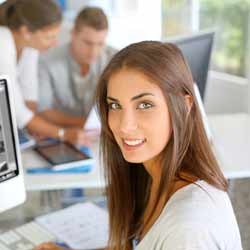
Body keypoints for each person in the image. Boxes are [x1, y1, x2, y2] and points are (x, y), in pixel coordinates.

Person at [35, 41, 242, 250]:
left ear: (184, 105)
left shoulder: (189, 232)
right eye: (115, 105)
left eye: (145, 105)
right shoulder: (151, 176)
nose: (125, 126)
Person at [0, 0, 90, 145]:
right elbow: (16, 112)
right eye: (49, 37)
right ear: (26, 31)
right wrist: (63, 133)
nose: (55, 43)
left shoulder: (28, 44)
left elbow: (29, 94)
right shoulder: (2, 44)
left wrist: (36, 128)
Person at [37, 6, 116, 128]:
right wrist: (86, 125)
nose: (94, 52)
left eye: (100, 44)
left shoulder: (116, 59)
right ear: (73, 34)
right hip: (61, 134)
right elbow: (43, 110)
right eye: (88, 43)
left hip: (104, 133)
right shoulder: (47, 61)